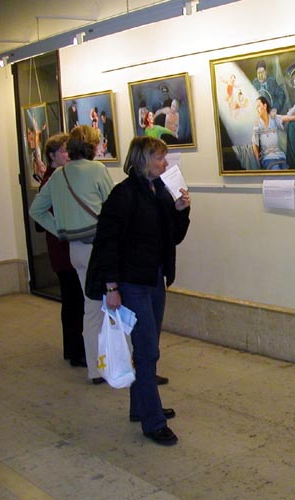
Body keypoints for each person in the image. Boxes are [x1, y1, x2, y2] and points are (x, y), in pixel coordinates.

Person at [86, 136, 191, 445]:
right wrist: (111, 286)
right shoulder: (123, 194)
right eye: (159, 158)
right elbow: (107, 243)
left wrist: (181, 210)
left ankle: (140, 406)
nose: (165, 163)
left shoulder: (158, 191)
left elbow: (173, 237)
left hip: (154, 277)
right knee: (147, 351)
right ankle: (153, 421)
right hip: (131, 282)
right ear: (143, 160)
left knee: (148, 348)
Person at [29, 125, 114, 385]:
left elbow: (36, 210)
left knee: (90, 309)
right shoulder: (97, 170)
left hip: (75, 249)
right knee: (111, 306)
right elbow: (112, 209)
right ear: (91, 146)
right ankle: (117, 360)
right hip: (97, 249)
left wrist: (60, 229)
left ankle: (95, 369)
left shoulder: (58, 176)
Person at [35, 133, 86, 367]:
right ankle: (75, 350)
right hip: (63, 250)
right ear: (52, 155)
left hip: (67, 248)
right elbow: (39, 218)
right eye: (64, 151)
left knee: (73, 300)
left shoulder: (62, 177)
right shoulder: (52, 180)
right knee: (73, 300)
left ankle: (72, 347)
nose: (68, 155)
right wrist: (61, 229)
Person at [252, 95, 289, 170]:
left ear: (265, 106)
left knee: (287, 173)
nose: (257, 109)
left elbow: (285, 118)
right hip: (268, 158)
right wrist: (258, 163)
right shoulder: (257, 125)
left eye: (258, 106)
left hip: (280, 156)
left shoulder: (273, 118)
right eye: (256, 108)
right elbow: (255, 145)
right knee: (276, 170)